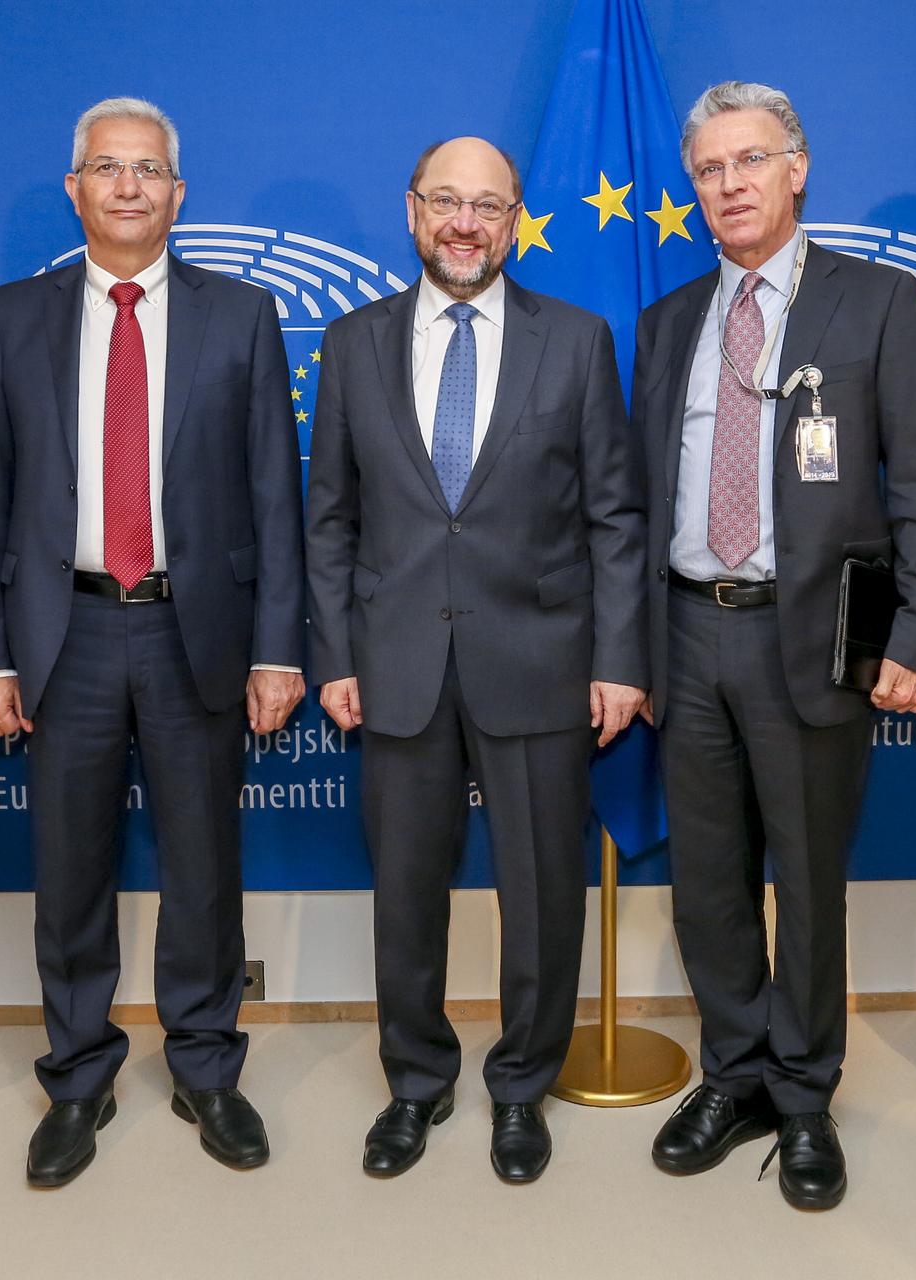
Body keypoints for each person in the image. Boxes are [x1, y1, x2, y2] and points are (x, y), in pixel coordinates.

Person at [0, 97, 304, 1186]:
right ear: (76, 189)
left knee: (206, 865)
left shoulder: (240, 315)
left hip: (192, 629)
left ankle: (206, 1062)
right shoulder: (13, 315)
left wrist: (277, 648)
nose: (127, 186)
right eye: (106, 167)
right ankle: (77, 1073)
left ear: (177, 193)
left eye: (148, 169)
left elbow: (273, 496)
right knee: (69, 870)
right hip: (62, 633)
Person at [633, 82, 916, 1210]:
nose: (729, 185)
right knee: (709, 880)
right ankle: (736, 1074)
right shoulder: (670, 321)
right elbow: (636, 500)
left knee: (808, 879)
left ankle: (806, 1093)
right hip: (685, 628)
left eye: (750, 162)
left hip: (815, 638)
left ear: (798, 168)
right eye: (710, 169)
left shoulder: (878, 303)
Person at [305, 136, 647, 1184]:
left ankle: (519, 1087)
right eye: (445, 201)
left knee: (542, 894)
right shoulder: (354, 342)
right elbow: (330, 520)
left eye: (487, 204)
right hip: (395, 660)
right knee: (406, 892)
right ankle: (415, 1081)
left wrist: (622, 657)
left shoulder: (578, 340)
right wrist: (333, 654)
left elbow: (614, 518)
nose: (465, 221)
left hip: (540, 658)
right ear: (412, 211)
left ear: (513, 219)